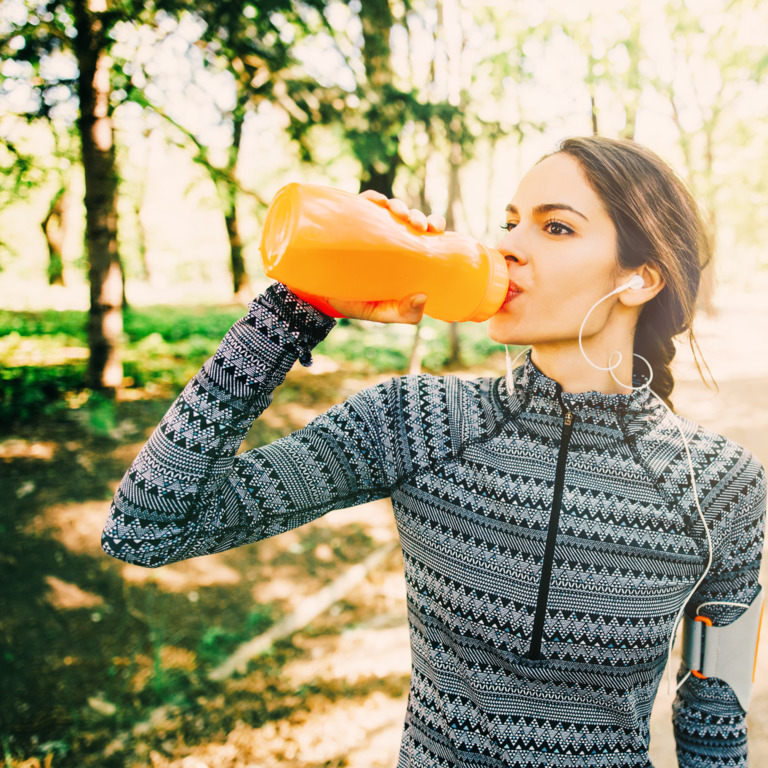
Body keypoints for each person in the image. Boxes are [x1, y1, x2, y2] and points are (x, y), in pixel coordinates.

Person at [102, 136, 766, 767]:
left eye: (554, 227)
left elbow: (715, 713)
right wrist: (293, 310)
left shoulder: (724, 489)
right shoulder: (414, 421)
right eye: (509, 223)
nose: (509, 247)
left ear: (641, 279)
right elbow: (147, 528)